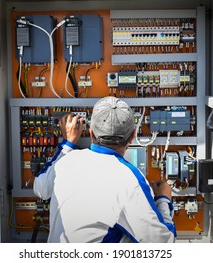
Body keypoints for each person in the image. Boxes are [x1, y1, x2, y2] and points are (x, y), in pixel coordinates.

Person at [33, 96, 176, 242]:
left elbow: (40, 189)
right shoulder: (130, 179)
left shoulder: (65, 162)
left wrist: (68, 144)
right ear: (133, 136)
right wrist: (163, 200)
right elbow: (163, 243)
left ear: (91, 133)